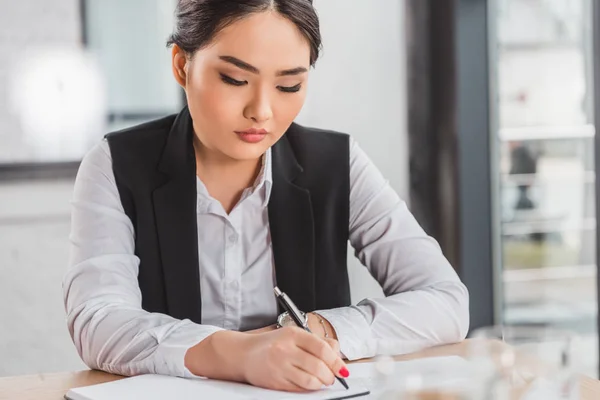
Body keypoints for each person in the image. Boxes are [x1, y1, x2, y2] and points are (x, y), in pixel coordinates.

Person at [63, 0, 469, 393]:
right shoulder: (115, 164)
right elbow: (98, 321)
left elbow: (446, 302)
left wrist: (312, 331)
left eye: (288, 85)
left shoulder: (337, 163)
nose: (262, 110)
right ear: (182, 65)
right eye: (235, 80)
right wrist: (239, 354)